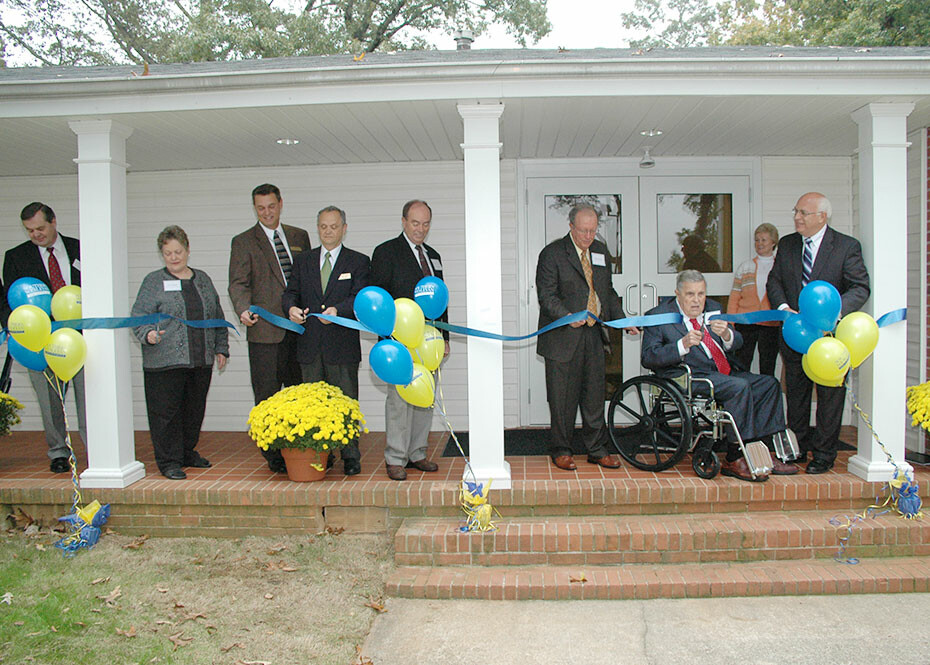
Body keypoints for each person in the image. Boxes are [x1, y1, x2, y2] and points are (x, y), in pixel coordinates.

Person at [641, 270, 795, 481]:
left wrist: (727, 335)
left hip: (723, 372)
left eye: (701, 294)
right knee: (739, 387)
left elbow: (737, 342)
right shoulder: (658, 316)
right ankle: (735, 458)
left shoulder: (714, 309)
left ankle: (765, 451)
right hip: (690, 376)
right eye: (690, 295)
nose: (697, 301)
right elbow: (648, 357)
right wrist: (682, 345)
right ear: (677, 293)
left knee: (768, 384)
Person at [767, 192, 870, 474]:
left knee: (829, 397)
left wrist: (832, 316)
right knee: (797, 393)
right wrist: (784, 307)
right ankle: (796, 449)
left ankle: (824, 454)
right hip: (795, 335)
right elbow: (774, 281)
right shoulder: (787, 244)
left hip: (831, 339)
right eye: (795, 211)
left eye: (803, 213)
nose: (796, 217)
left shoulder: (846, 247)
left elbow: (860, 287)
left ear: (822, 216)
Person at [535, 204, 631, 472]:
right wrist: (566, 315)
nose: (589, 236)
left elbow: (607, 292)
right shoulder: (552, 254)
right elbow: (546, 296)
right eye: (583, 231)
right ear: (571, 227)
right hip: (563, 338)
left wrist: (622, 319)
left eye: (593, 230)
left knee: (594, 396)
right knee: (562, 399)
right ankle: (562, 450)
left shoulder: (600, 252)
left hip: (593, 335)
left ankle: (597, 449)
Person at [131, 226, 229, 480]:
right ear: (161, 254)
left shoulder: (203, 279)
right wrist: (148, 335)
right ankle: (169, 461)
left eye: (178, 251)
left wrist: (221, 347)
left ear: (187, 250)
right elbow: (138, 317)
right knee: (166, 414)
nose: (174, 257)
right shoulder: (153, 282)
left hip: (200, 360)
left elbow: (216, 316)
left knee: (194, 411)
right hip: (164, 363)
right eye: (167, 253)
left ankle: (187, 452)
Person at [229, 184, 311, 473]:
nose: (266, 212)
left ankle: (304, 447)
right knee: (266, 395)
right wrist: (242, 309)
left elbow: (308, 278)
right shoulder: (243, 242)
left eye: (271, 206)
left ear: (280, 203)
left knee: (301, 394)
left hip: (299, 332)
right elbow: (238, 283)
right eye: (260, 208)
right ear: (255, 208)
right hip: (265, 332)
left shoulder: (299, 236)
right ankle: (273, 456)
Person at [283, 206, 369, 476]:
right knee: (315, 406)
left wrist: (338, 311)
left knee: (346, 403)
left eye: (333, 226)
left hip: (341, 347)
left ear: (344, 228)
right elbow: (290, 293)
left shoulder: (358, 261)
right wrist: (290, 309)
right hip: (309, 346)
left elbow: (360, 297)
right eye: (323, 226)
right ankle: (321, 453)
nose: (328, 231)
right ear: (317, 228)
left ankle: (350, 455)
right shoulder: (303, 261)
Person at [3, 202, 86, 473]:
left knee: (90, 396)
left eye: (40, 228)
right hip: (39, 341)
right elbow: (7, 300)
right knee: (49, 399)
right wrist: (14, 327)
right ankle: (58, 452)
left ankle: (95, 447)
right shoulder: (15, 256)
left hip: (81, 336)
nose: (36, 234)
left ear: (53, 222)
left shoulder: (80, 247)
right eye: (29, 231)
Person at [370, 200, 449, 481]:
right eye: (415, 223)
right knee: (399, 401)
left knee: (424, 397)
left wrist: (444, 337)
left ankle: (417, 453)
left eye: (426, 223)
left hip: (429, 343)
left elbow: (440, 301)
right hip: (399, 341)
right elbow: (379, 301)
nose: (421, 229)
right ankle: (395, 457)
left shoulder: (434, 256)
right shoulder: (385, 252)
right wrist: (386, 340)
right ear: (403, 221)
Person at [727, 223, 781, 375]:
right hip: (746, 322)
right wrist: (731, 323)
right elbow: (734, 297)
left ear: (773, 242)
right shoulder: (745, 267)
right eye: (757, 240)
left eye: (764, 240)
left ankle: (765, 396)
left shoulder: (780, 266)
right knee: (741, 363)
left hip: (771, 324)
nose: (759, 244)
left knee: (768, 365)